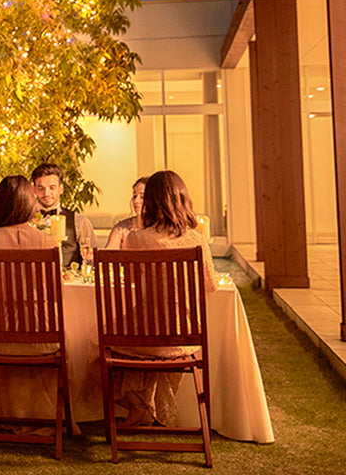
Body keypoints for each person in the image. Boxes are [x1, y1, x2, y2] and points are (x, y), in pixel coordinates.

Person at [115, 170, 218, 427]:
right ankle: (147, 409)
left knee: (98, 341)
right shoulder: (196, 239)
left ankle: (139, 405)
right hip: (185, 338)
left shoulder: (137, 239)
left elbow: (132, 283)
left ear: (150, 202)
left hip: (145, 335)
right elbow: (210, 286)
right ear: (183, 199)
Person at [0, 175, 62, 425]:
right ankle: (46, 417)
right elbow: (54, 292)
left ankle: (0, 412)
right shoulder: (46, 241)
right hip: (41, 336)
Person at [31, 163, 95, 269]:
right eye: (41, 188)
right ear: (34, 189)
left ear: (61, 189)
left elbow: (93, 258)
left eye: (52, 188)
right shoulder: (25, 220)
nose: (46, 193)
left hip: (69, 282)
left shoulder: (79, 221)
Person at [106, 177, 148, 250]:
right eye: (134, 196)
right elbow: (107, 257)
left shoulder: (160, 230)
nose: (136, 201)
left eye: (142, 197)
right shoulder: (121, 229)